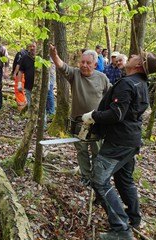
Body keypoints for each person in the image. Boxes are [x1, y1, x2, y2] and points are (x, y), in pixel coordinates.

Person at [81, 51, 156, 239]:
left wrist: (93, 116)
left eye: (136, 56)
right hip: (130, 141)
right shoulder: (141, 84)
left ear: (139, 65)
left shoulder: (127, 84)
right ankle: (134, 218)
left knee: (99, 181)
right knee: (124, 180)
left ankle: (121, 230)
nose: (132, 55)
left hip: (119, 143)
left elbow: (116, 114)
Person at [49, 45, 110, 185]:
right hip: (78, 123)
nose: (84, 65)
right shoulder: (75, 74)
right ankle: (85, 176)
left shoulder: (102, 78)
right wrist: (54, 56)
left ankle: (96, 177)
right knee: (81, 150)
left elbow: (109, 96)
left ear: (95, 64)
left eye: (88, 63)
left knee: (97, 151)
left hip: (97, 123)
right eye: (82, 62)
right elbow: (62, 67)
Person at [18, 41, 37, 108]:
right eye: (30, 46)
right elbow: (20, 71)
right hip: (28, 85)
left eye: (33, 46)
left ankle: (43, 118)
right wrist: (19, 83)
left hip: (38, 86)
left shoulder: (40, 58)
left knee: (39, 106)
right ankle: (31, 118)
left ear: (37, 47)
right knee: (29, 104)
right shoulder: (25, 58)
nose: (32, 48)